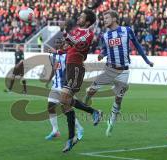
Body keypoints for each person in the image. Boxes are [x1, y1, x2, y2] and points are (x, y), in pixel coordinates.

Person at [83, 10, 154, 137]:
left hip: (123, 71)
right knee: (90, 91)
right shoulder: (105, 36)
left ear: (115, 19)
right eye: (103, 18)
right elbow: (105, 50)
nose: (104, 20)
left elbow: (137, 45)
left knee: (118, 98)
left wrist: (147, 60)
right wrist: (101, 54)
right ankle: (86, 104)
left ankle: (112, 121)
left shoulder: (127, 30)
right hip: (110, 69)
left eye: (107, 18)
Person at [59, 9, 102, 153]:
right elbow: (68, 45)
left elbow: (78, 44)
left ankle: (94, 112)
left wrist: (66, 33)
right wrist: (61, 50)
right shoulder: (76, 30)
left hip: (76, 67)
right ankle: (71, 139)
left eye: (82, 17)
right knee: (64, 104)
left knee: (64, 99)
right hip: (69, 65)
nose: (79, 17)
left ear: (88, 22)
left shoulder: (88, 33)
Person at [45, 38, 84, 141]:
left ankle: (79, 128)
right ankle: (55, 130)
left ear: (63, 44)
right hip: (55, 85)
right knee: (50, 106)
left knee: (66, 109)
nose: (58, 44)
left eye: (60, 43)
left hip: (65, 86)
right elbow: (54, 69)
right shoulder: (52, 55)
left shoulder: (67, 54)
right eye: (56, 43)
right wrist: (49, 80)